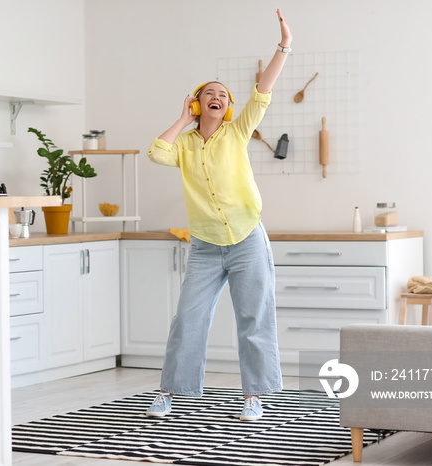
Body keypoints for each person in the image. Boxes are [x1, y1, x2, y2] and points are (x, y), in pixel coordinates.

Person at [145, 9, 292, 421]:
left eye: (224, 95)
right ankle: (170, 393)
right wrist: (181, 119)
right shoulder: (186, 145)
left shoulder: (239, 131)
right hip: (207, 245)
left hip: (247, 238)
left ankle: (254, 397)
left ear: (228, 107)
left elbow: (262, 90)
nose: (218, 97)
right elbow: (157, 152)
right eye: (209, 93)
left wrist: (284, 45)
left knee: (254, 317)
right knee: (187, 320)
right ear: (198, 102)